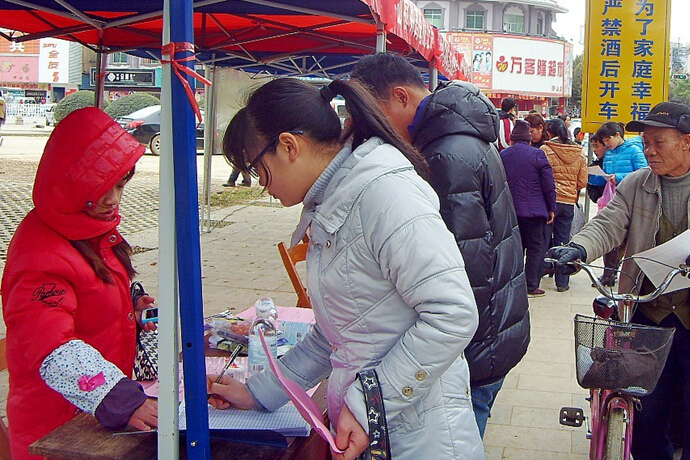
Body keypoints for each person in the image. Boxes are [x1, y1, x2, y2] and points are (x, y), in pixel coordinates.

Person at [208, 78, 484, 460]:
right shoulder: (335, 202)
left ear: (288, 146)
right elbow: (334, 334)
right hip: (379, 430)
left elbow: (453, 314)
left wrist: (370, 403)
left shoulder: (384, 195)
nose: (262, 186)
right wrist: (259, 391)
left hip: (419, 436)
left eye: (259, 170)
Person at [548, 101, 690, 460]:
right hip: (647, 321)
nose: (649, 150)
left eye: (658, 142)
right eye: (646, 142)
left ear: (687, 141)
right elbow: (608, 225)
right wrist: (578, 249)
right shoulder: (636, 185)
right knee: (647, 421)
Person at [350, 53, 529, 438]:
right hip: (493, 332)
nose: (372, 129)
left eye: (372, 114)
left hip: (476, 347)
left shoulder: (445, 154)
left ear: (400, 97)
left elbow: (455, 270)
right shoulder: (459, 136)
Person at [1, 107, 158, 459]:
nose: (113, 199)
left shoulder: (89, 228)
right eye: (100, 188)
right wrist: (122, 400)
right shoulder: (39, 254)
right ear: (70, 184)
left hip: (92, 421)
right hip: (55, 431)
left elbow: (90, 296)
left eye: (120, 186)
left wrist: (129, 310)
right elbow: (53, 347)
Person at [500, 120, 556, 297]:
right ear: (529, 139)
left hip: (511, 211)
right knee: (535, 249)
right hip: (535, 212)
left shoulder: (503, 155)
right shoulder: (537, 154)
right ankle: (531, 285)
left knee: (515, 248)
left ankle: (513, 283)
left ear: (512, 140)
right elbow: (548, 184)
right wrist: (551, 207)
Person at [540, 118, 587, 292]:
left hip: (549, 202)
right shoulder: (579, 152)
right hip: (568, 202)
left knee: (544, 240)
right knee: (563, 240)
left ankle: (540, 273)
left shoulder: (545, 150)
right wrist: (571, 189)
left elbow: (541, 177)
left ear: (549, 133)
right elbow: (583, 181)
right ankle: (562, 282)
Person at [585, 136, 624, 286]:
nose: (595, 150)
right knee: (610, 242)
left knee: (617, 243)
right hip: (605, 205)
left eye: (597, 146)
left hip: (619, 206)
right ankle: (609, 274)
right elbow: (590, 185)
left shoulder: (618, 160)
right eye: (593, 146)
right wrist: (598, 198)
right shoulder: (597, 164)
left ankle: (611, 273)